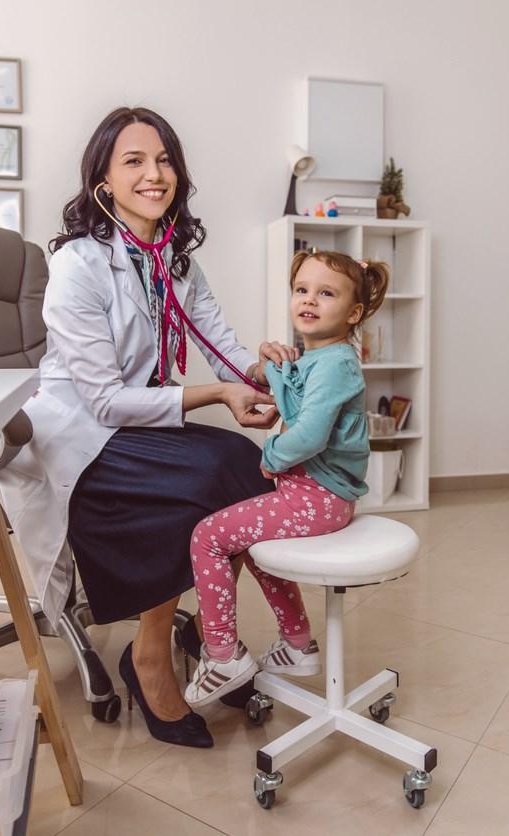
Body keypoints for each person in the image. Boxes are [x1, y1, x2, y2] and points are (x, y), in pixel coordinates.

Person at [0, 106, 298, 749]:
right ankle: (150, 655)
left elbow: (219, 344)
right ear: (103, 180)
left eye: (163, 160)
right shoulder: (78, 264)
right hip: (79, 435)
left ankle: (216, 640)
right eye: (133, 161)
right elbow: (105, 401)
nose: (154, 174)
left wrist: (260, 368)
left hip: (139, 426)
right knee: (207, 479)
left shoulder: (177, 263)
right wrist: (219, 393)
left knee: (245, 469)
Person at [185, 250, 389, 706]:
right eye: (302, 290)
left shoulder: (335, 365)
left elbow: (311, 434)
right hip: (316, 495)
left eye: (326, 293)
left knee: (207, 537)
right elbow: (288, 386)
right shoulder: (317, 357)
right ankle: (297, 643)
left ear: (353, 313)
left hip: (318, 498)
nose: (309, 300)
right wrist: (266, 364)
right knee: (253, 544)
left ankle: (222, 655)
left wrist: (272, 457)